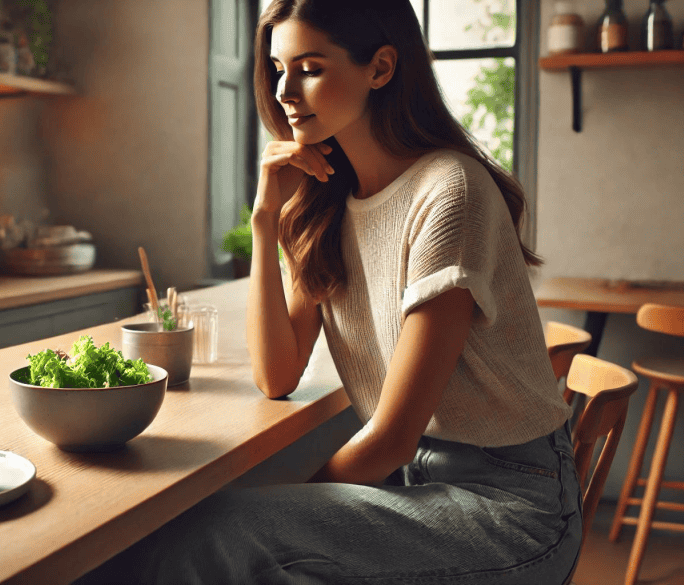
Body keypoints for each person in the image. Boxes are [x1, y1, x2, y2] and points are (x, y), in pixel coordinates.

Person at [76, 2, 582, 583]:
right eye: (277, 68)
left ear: (381, 68)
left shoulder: (449, 193)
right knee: (201, 534)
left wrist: (292, 506)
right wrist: (266, 222)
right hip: (416, 483)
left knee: (217, 535)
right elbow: (279, 373)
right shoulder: (328, 202)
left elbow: (391, 439)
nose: (286, 91)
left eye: (310, 68)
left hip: (512, 508)